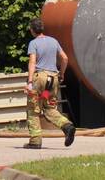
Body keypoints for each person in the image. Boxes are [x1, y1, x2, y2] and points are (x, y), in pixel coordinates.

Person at [24, 17, 75, 149]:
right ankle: (67, 126)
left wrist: (30, 81)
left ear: (32, 30)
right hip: (52, 80)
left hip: (39, 80)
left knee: (33, 109)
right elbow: (64, 58)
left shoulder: (33, 43)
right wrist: (62, 73)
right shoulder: (54, 41)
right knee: (49, 107)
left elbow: (32, 62)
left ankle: (35, 141)